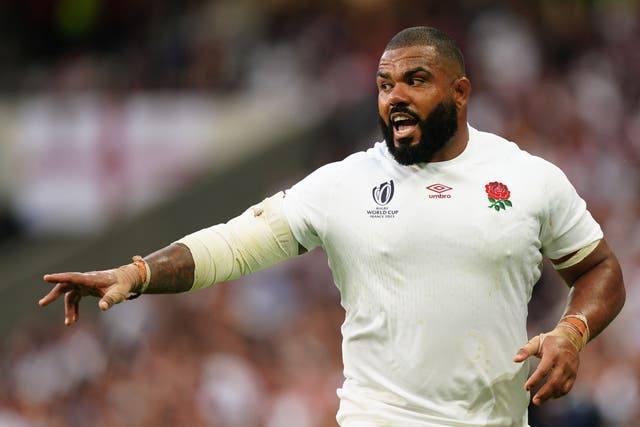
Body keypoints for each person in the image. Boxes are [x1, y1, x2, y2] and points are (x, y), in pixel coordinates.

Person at [39, 26, 625, 427]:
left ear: (460, 92)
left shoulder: (528, 178)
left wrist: (572, 332)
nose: (394, 97)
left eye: (414, 81)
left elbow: (599, 269)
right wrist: (137, 272)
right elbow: (233, 245)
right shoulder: (343, 184)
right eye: (383, 85)